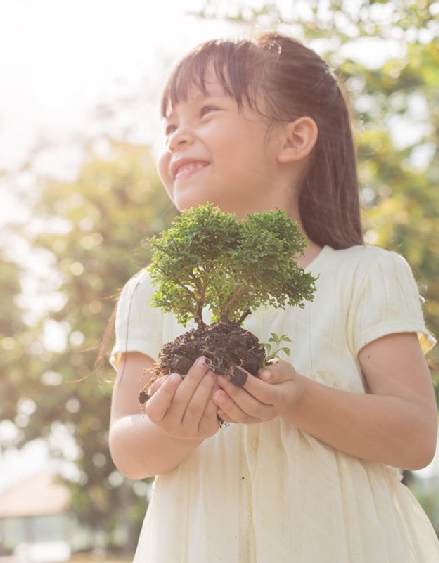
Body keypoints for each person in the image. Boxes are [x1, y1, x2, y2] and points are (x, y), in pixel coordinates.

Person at [108, 32, 439, 562]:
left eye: (206, 112)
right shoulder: (151, 291)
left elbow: (416, 437)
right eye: (169, 125)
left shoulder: (366, 275)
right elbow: (127, 448)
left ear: (293, 139)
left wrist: (301, 400)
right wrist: (172, 430)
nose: (175, 138)